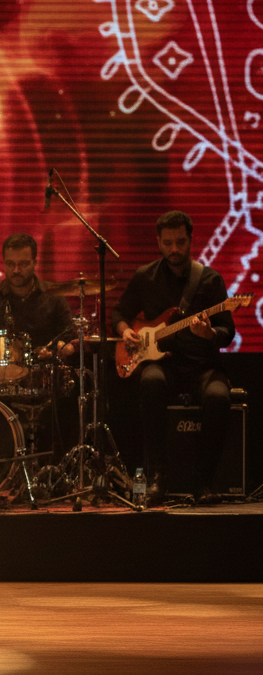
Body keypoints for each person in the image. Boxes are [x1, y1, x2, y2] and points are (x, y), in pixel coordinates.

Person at [110, 211, 235, 502]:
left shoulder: (209, 280)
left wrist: (210, 334)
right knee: (150, 382)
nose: (174, 249)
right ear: (158, 242)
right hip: (163, 364)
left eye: (180, 242)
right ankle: (158, 476)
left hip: (202, 366)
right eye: (167, 243)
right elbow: (118, 312)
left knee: (219, 397)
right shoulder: (145, 277)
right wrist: (125, 330)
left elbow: (228, 331)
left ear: (191, 240)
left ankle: (203, 482)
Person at [0, 232, 73, 360]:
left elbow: (69, 336)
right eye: (10, 264)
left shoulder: (54, 297)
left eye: (23, 264)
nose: (16, 270)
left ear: (34, 263)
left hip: (44, 369)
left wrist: (60, 349)